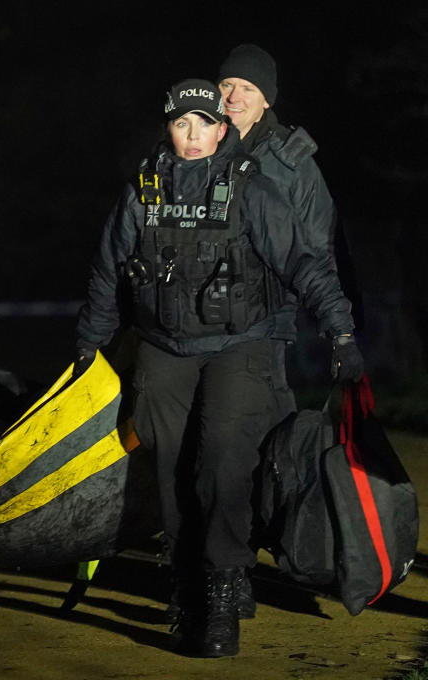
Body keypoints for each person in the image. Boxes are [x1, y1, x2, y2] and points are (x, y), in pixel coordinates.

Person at [74, 79, 363, 658]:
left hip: (243, 345)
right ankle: (186, 586)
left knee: (223, 461)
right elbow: (108, 273)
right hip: (164, 345)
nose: (194, 136)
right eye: (182, 125)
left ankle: (224, 586)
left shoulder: (251, 191)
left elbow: (303, 262)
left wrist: (342, 330)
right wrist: (88, 350)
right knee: (172, 465)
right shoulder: (144, 191)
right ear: (169, 130)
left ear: (222, 130)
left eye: (205, 124)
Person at [217, 43, 363, 333]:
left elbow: (322, 245)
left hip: (267, 318)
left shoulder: (292, 162)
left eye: (248, 88)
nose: (234, 97)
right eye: (227, 84)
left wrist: (338, 328)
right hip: (195, 315)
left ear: (267, 101)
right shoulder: (192, 146)